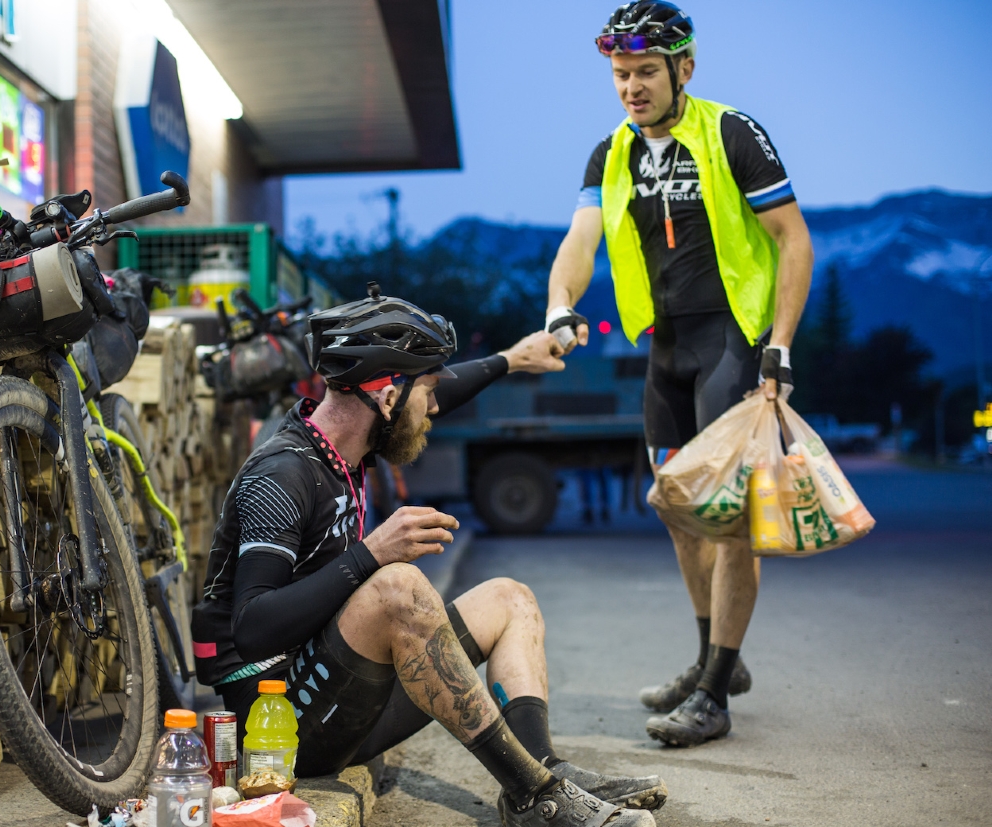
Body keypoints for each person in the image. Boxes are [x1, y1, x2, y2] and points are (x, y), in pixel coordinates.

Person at [192, 286, 666, 827]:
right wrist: (370, 555)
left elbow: (445, 386)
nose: (436, 406)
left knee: (510, 598)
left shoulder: (346, 445)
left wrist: (513, 359)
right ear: (388, 399)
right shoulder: (281, 476)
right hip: (283, 725)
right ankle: (538, 800)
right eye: (427, 392)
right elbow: (252, 627)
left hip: (342, 694)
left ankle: (539, 774)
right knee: (398, 587)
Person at [545, 1, 813, 747]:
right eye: (621, 75)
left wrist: (779, 344)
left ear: (684, 69)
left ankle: (715, 694)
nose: (632, 87)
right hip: (664, 352)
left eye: (646, 73)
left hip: (732, 343)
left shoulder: (732, 132)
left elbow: (794, 241)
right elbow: (580, 237)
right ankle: (712, 661)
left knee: (729, 522)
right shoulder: (611, 154)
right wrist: (558, 303)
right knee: (677, 507)